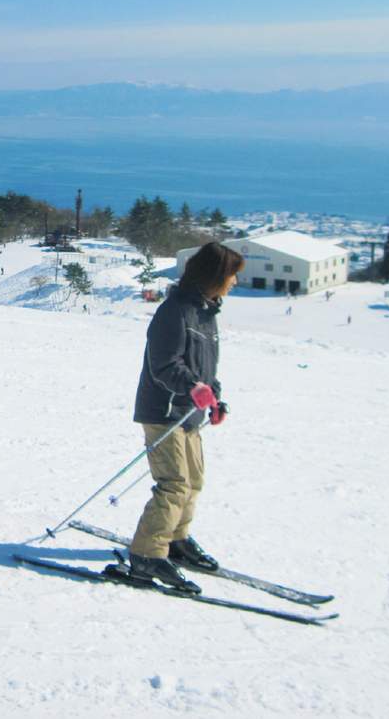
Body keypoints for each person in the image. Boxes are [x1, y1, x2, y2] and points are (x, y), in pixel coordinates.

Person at [126, 240, 244, 592]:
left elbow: (206, 368)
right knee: (174, 484)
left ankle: (176, 540)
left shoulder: (206, 313)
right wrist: (194, 388)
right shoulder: (173, 311)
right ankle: (147, 555)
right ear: (215, 276)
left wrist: (214, 399)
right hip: (164, 411)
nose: (235, 283)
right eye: (232, 276)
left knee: (193, 481)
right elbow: (164, 365)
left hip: (189, 413)